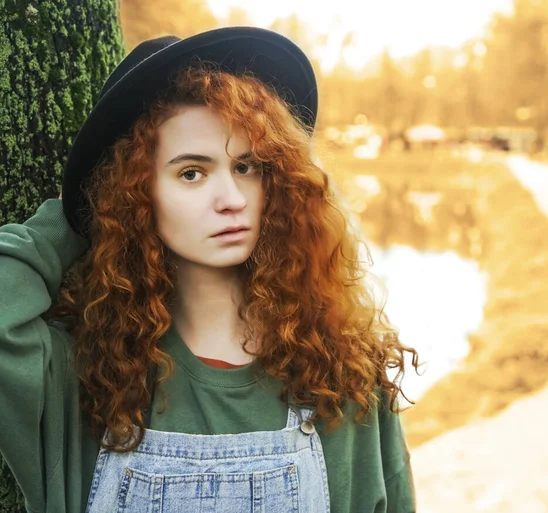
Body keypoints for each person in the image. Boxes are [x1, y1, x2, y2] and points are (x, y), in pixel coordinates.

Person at [0, 26, 419, 513]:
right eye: (191, 173)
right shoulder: (84, 377)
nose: (232, 200)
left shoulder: (341, 374)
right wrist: (76, 220)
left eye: (247, 167)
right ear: (135, 196)